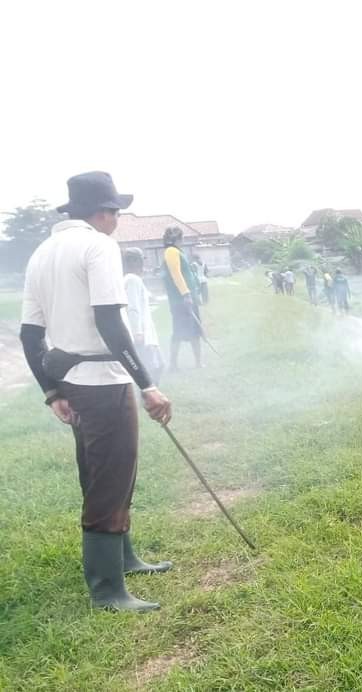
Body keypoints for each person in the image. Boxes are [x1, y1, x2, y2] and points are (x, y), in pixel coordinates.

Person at [20, 171, 174, 611]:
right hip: (104, 384)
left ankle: (124, 558)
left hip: (72, 383)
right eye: (117, 212)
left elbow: (30, 336)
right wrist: (148, 384)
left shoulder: (42, 253)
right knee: (111, 476)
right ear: (105, 213)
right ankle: (107, 590)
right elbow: (110, 322)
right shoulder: (98, 246)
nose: (117, 221)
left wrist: (52, 392)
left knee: (107, 472)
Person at [161, 225, 203, 370]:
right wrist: (186, 294)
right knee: (179, 332)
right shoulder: (171, 251)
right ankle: (173, 365)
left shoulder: (176, 251)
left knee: (194, 330)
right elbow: (175, 273)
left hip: (186, 298)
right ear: (177, 238)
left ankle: (197, 362)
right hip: (181, 300)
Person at [122, 248, 164, 385]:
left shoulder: (134, 280)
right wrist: (137, 332)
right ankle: (148, 398)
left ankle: (148, 396)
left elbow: (149, 297)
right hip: (142, 336)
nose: (143, 265)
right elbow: (133, 308)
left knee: (157, 366)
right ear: (135, 262)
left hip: (147, 334)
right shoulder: (132, 280)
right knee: (152, 368)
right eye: (141, 261)